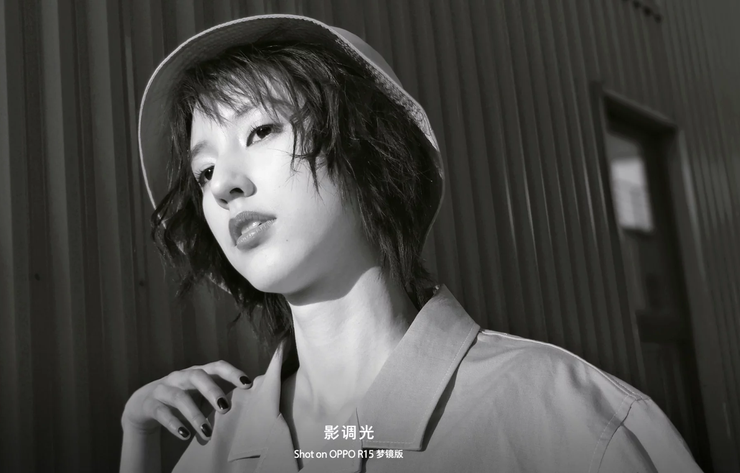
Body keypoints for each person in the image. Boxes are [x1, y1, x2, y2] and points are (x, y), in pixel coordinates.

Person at [120, 14, 704, 473]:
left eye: (262, 130)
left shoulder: (574, 424)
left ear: (366, 148)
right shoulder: (215, 448)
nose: (223, 185)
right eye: (203, 172)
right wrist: (137, 445)